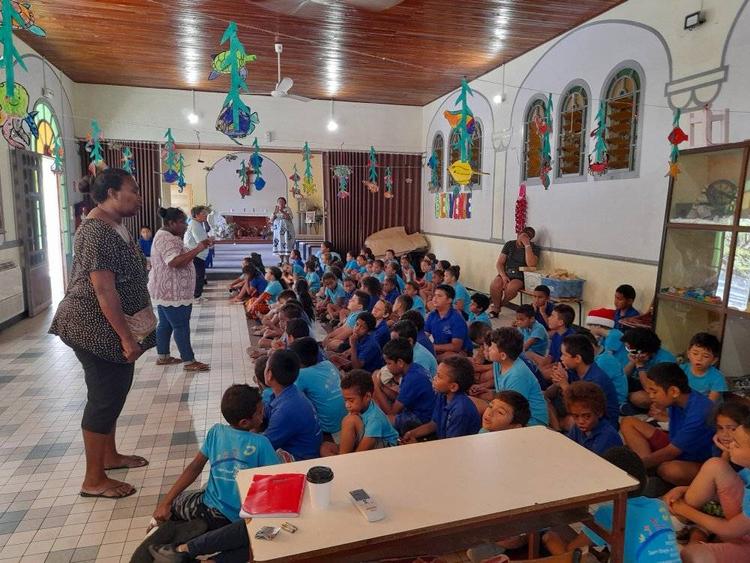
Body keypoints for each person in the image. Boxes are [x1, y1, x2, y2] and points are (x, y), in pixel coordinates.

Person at [50, 168, 153, 499]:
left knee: (115, 391)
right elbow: (103, 290)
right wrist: (125, 337)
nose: (138, 195)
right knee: (105, 396)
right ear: (111, 192)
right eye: (133, 189)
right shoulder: (96, 232)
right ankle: (93, 479)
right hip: (93, 327)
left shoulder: (113, 226)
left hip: (106, 326)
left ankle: (109, 456)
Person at [152, 385, 278, 529]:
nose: (263, 415)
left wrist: (165, 503)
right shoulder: (261, 443)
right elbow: (276, 480)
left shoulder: (216, 432)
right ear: (244, 422)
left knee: (176, 502)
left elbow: (194, 468)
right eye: (260, 412)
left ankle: (161, 528)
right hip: (240, 517)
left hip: (209, 507)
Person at [543, 447, 680, 563]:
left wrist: (552, 540)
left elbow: (573, 550)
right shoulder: (659, 505)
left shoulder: (609, 511)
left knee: (551, 538)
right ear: (645, 479)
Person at [663, 405, 750, 562]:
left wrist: (683, 509)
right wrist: (682, 489)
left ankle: (682, 522)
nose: (730, 444)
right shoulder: (747, 470)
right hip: (738, 532)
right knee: (714, 464)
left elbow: (729, 530)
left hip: (740, 539)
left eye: (736, 444)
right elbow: (722, 486)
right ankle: (679, 523)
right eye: (720, 428)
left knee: (691, 555)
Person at [621, 362, 715, 486]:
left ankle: (645, 469)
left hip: (698, 460)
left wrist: (633, 466)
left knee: (669, 470)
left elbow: (672, 451)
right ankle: (645, 471)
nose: (650, 396)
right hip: (675, 444)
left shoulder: (700, 412)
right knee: (628, 422)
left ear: (674, 391)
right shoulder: (677, 399)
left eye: (654, 392)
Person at [148, 207, 211, 372]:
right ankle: (189, 361)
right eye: (182, 222)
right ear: (171, 223)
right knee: (181, 325)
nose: (185, 225)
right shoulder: (167, 239)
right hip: (173, 292)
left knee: (165, 324)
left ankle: (163, 356)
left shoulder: (166, 235)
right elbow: (174, 261)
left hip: (165, 290)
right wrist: (198, 249)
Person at [547, 333, 620, 431]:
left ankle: (557, 430)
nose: (561, 358)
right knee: (543, 399)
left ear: (577, 358)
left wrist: (563, 384)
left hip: (600, 421)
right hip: (579, 412)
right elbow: (548, 394)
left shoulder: (596, 379)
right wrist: (557, 381)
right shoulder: (574, 370)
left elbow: (581, 407)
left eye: (564, 355)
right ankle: (557, 427)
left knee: (571, 422)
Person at [402, 356, 481, 442]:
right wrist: (412, 433)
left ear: (453, 387)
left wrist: (418, 445)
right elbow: (434, 424)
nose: (434, 378)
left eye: (439, 376)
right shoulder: (442, 395)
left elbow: (451, 446)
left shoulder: (460, 410)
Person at [322, 369, 399, 456]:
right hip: (366, 442)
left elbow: (363, 449)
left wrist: (347, 457)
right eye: (345, 400)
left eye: (351, 400)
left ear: (367, 396)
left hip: (388, 449)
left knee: (349, 420)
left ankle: (343, 460)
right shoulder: (359, 407)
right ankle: (343, 457)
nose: (347, 405)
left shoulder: (375, 418)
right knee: (325, 447)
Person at [262, 350, 322, 461]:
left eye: (266, 366)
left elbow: (264, 446)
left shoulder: (285, 410)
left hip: (300, 459)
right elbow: (266, 411)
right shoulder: (291, 392)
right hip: (306, 449)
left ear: (269, 374)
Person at [482, 328, 549, 426]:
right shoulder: (499, 363)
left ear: (503, 355)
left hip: (531, 421)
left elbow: (514, 412)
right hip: (507, 409)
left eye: (492, 347)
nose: (488, 349)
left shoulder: (517, 376)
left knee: (483, 422)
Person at [372, 338, 436, 435]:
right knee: (377, 401)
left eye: (389, 363)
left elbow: (392, 412)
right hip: (418, 410)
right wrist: (382, 387)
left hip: (421, 418)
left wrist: (376, 387)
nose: (387, 367)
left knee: (380, 421)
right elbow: (400, 398)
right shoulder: (415, 368)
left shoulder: (412, 379)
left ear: (400, 363)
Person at [288, 337, 347, 442]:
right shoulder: (328, 364)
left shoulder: (301, 375)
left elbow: (289, 399)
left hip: (328, 429)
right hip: (346, 419)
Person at [621, 327, 676, 411]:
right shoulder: (635, 354)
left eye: (630, 348)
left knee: (638, 398)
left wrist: (640, 365)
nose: (629, 351)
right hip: (638, 385)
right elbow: (622, 377)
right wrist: (632, 362)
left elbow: (650, 389)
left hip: (657, 391)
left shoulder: (664, 360)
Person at [489, 226, 540, 317]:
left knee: (511, 288)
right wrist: (503, 276)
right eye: (523, 235)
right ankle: (496, 308)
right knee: (495, 284)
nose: (524, 238)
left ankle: (500, 305)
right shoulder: (510, 244)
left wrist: (527, 245)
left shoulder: (534, 248)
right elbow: (500, 263)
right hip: (506, 272)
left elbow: (531, 264)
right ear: (518, 235)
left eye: (528, 237)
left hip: (520, 276)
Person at [564, 381, 622, 456]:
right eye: (576, 416)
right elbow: (568, 446)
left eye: (587, 416)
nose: (580, 421)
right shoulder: (577, 428)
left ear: (599, 412)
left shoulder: (607, 436)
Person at [424, 284, 472, 360]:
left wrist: (432, 347)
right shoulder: (432, 315)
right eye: (434, 295)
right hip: (439, 350)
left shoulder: (456, 318)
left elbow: (456, 347)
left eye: (439, 296)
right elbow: (425, 335)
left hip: (459, 352)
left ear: (449, 300)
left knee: (452, 356)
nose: (435, 299)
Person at [681, 332, 727, 401]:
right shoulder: (681, 369)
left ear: (714, 360)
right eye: (695, 353)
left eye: (706, 356)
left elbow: (710, 404)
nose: (699, 358)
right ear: (688, 354)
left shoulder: (717, 378)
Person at [184, 206, 212, 302]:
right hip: (196, 254)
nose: (206, 215)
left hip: (197, 254)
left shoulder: (197, 223)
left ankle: (197, 295)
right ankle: (197, 296)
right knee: (199, 275)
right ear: (196, 215)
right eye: (203, 213)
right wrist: (211, 240)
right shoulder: (195, 224)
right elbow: (201, 242)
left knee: (199, 275)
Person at [270, 196, 295, 264]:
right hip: (278, 231)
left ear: (285, 203)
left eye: (282, 201)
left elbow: (290, 217)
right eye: (279, 202)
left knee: (287, 243)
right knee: (279, 244)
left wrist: (282, 211)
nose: (280, 203)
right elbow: (271, 220)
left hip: (287, 230)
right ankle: (281, 260)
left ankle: (287, 260)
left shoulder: (288, 209)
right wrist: (275, 213)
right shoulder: (275, 209)